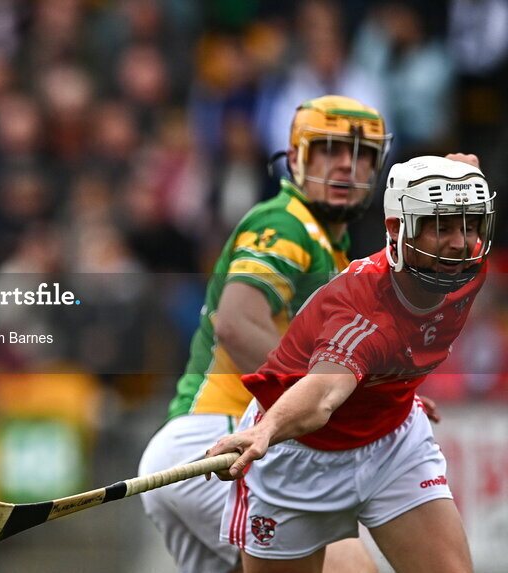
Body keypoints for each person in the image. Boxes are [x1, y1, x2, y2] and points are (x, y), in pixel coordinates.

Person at [138, 94, 392, 573]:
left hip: (207, 451)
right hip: (221, 442)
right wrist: (330, 393)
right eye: (329, 150)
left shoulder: (331, 246)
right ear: (295, 157)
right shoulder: (285, 224)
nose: (346, 166)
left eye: (362, 155)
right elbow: (235, 324)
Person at [208, 155, 494, 573]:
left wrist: (459, 171)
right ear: (399, 229)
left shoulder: (469, 263)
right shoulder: (363, 310)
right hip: (297, 455)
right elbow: (323, 394)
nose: (460, 242)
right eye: (442, 226)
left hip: (392, 441)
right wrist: (265, 429)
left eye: (469, 224)